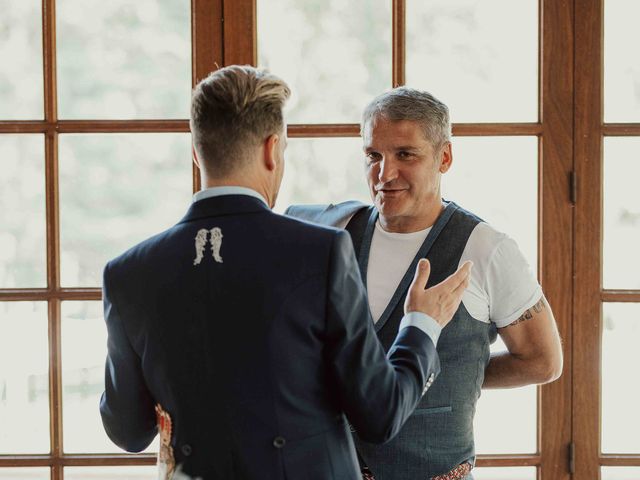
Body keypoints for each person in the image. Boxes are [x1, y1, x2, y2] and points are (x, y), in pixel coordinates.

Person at [99, 66, 474, 480]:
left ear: (195, 151)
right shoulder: (321, 253)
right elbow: (379, 414)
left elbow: (127, 431)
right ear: (272, 149)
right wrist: (421, 325)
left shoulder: (127, 274)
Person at [286, 87, 563, 480]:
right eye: (373, 156)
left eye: (405, 155)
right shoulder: (337, 233)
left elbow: (543, 361)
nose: (385, 174)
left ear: (444, 157)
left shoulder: (486, 249)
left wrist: (453, 375)